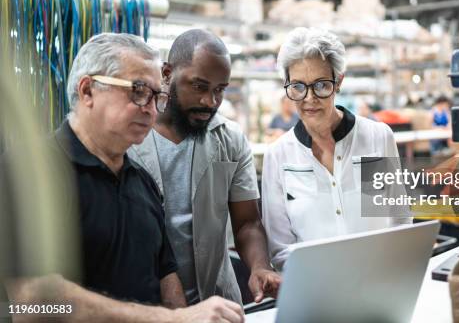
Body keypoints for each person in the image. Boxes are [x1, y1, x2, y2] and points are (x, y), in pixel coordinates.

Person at [4, 33, 244, 322]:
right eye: (138, 91)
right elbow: (31, 303)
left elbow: (167, 280)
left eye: (158, 97)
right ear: (88, 91)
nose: (151, 109)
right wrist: (172, 320)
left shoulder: (142, 183)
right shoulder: (30, 174)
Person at [129, 29, 281, 306]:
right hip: (146, 307)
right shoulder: (129, 136)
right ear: (166, 73)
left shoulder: (230, 138)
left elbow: (247, 221)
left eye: (219, 90)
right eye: (199, 86)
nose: (210, 102)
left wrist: (260, 266)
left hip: (217, 301)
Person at [261, 27, 405, 270]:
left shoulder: (376, 138)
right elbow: (280, 248)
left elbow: (399, 219)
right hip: (315, 292)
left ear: (338, 82)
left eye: (321, 85)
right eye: (298, 86)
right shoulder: (278, 155)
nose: (309, 98)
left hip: (378, 282)